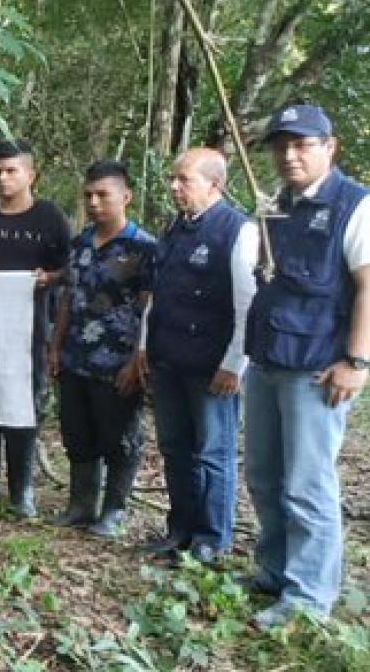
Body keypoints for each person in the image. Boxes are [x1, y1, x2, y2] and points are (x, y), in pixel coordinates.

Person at [242, 104, 370, 628]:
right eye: (281, 146)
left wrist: (357, 361)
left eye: (302, 145)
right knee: (264, 476)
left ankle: (308, 598)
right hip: (268, 359)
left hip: (317, 368)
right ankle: (274, 570)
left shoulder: (354, 205)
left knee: (306, 483)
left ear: (329, 147)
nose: (289, 155)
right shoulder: (276, 205)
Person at [139, 148, 258, 562]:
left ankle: (211, 539)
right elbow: (157, 295)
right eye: (174, 179)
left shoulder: (237, 230)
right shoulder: (176, 229)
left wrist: (234, 364)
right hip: (169, 358)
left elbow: (248, 305)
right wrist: (143, 346)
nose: (174, 186)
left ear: (214, 184)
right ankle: (180, 530)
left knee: (213, 452)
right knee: (175, 448)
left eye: (184, 180)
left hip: (211, 366)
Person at [0, 139, 71, 517]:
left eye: (12, 171)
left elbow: (71, 269)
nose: (3, 179)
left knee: (23, 409)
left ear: (30, 175)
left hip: (31, 333)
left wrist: (46, 277)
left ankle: (22, 492)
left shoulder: (50, 218)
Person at [49, 161, 156, 537]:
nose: (94, 203)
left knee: (120, 438)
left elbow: (149, 309)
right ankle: (81, 504)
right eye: (88, 196)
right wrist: (56, 345)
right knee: (78, 434)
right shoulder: (80, 244)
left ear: (125, 197)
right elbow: (68, 297)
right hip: (77, 356)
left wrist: (138, 359)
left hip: (118, 361)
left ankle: (114, 510)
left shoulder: (143, 248)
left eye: (102, 195)